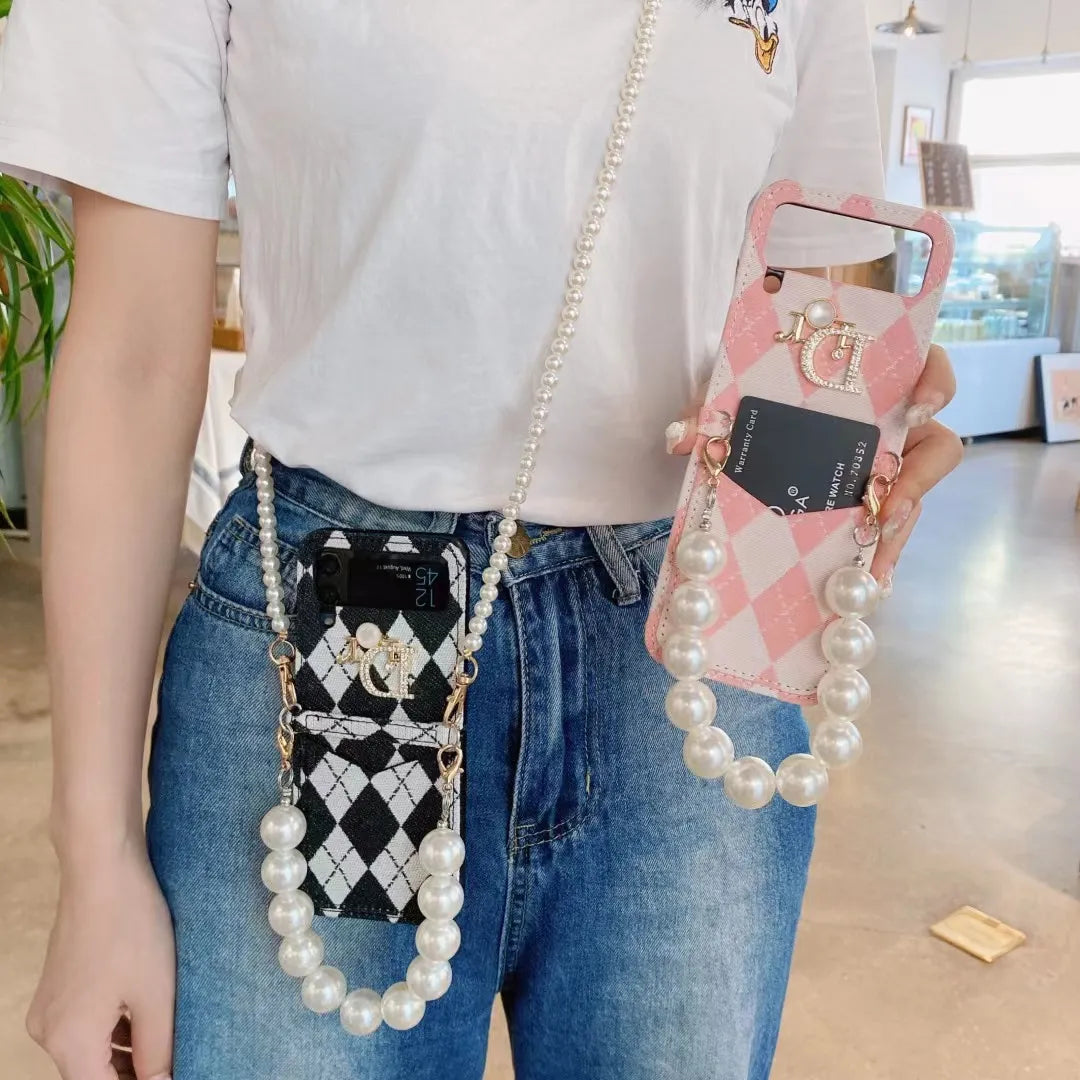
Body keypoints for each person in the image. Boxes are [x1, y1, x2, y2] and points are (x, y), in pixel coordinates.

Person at [0, 1, 961, 1078]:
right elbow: (131, 351)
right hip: (339, 631)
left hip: (689, 625)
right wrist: (93, 853)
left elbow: (818, 285)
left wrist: (859, 415)